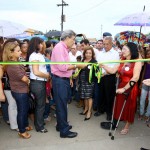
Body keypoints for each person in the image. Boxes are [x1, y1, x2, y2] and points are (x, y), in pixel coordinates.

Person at [101, 42, 142, 135]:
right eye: (122, 49)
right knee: (119, 105)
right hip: (121, 86)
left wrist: (124, 89)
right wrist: (103, 66)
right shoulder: (122, 60)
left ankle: (127, 126)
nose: (122, 51)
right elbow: (113, 71)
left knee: (129, 107)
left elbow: (135, 78)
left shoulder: (137, 61)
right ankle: (115, 121)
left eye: (124, 49)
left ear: (131, 50)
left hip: (130, 88)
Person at [51, 30, 86, 138]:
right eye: (73, 39)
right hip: (60, 80)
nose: (74, 42)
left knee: (62, 105)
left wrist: (70, 75)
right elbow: (62, 67)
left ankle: (61, 125)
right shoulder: (60, 48)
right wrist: (77, 66)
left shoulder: (63, 48)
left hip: (62, 79)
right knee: (62, 106)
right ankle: (64, 131)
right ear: (67, 38)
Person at [3, 41, 32, 139]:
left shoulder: (15, 62)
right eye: (18, 50)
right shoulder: (13, 65)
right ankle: (22, 131)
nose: (21, 52)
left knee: (23, 110)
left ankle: (24, 126)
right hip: (19, 91)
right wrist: (28, 81)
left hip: (19, 90)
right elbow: (24, 78)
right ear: (11, 53)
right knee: (22, 111)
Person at [27, 37, 49, 133]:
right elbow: (36, 72)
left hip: (38, 82)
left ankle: (39, 123)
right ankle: (40, 127)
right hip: (38, 82)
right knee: (40, 105)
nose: (43, 44)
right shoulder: (35, 56)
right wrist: (47, 75)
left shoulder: (38, 55)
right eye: (42, 43)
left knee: (39, 105)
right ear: (37, 44)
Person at [94, 36, 120, 121]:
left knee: (109, 96)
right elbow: (98, 65)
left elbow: (114, 67)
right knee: (100, 94)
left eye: (107, 44)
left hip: (110, 77)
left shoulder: (115, 54)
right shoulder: (101, 53)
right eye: (104, 44)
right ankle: (100, 110)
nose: (105, 46)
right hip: (100, 77)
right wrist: (98, 73)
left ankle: (109, 113)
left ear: (111, 43)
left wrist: (105, 72)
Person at [79, 46, 97, 120]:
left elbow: (96, 72)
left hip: (90, 81)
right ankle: (86, 108)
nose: (88, 54)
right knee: (84, 95)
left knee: (89, 96)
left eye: (90, 53)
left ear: (92, 54)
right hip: (82, 80)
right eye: (87, 53)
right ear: (84, 53)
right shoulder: (83, 60)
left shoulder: (94, 62)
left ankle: (89, 111)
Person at [139, 50, 150, 121]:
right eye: (148, 53)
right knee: (142, 99)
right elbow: (143, 72)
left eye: (149, 54)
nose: (148, 55)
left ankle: (147, 115)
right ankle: (141, 113)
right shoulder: (146, 62)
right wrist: (141, 82)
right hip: (145, 82)